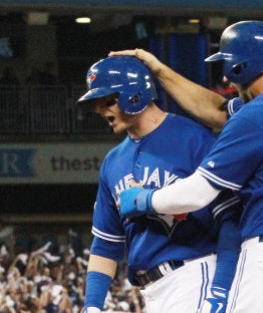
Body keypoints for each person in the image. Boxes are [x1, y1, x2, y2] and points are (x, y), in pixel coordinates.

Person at [113, 20, 263, 312]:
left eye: (227, 67)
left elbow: (197, 194)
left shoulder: (254, 118)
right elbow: (216, 110)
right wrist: (160, 70)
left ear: (240, 67)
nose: (227, 80)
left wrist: (143, 199)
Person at [75, 56, 241, 313]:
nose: (98, 109)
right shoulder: (113, 162)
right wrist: (92, 306)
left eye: (107, 100)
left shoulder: (193, 138)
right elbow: (106, 243)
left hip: (194, 273)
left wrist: (220, 289)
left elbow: (229, 218)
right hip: (150, 291)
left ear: (134, 94)